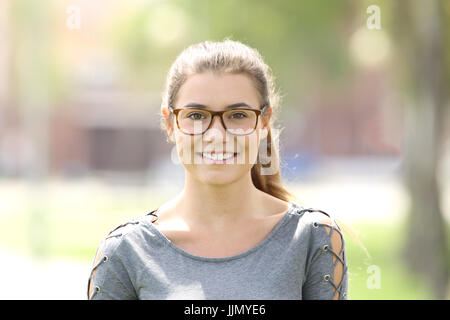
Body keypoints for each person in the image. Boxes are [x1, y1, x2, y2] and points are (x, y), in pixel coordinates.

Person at [87, 39, 348, 300]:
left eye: (237, 115)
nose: (217, 134)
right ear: (169, 123)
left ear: (265, 122)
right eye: (196, 115)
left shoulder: (312, 237)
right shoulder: (126, 250)